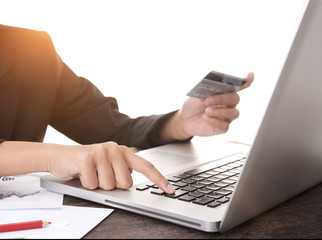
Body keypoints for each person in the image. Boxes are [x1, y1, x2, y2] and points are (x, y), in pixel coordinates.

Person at [0, 24, 254, 194]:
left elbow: (113, 129)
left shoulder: (31, 49)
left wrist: (180, 122)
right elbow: (59, 156)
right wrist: (53, 157)